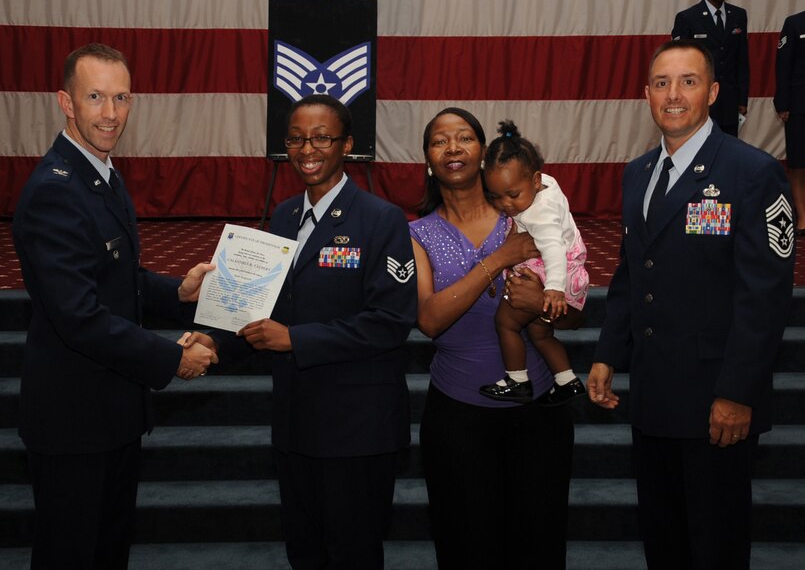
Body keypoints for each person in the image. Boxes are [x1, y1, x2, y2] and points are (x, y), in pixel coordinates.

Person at [588, 40, 795, 570]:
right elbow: (634, 272)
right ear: (647, 95)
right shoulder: (637, 173)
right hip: (654, 394)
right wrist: (609, 353)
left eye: (688, 81)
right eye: (661, 83)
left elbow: (764, 297)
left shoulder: (752, 171)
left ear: (714, 92)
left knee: (715, 545)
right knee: (665, 540)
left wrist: (737, 393)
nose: (673, 95)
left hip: (715, 401)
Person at [188, 94, 417, 569]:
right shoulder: (286, 215)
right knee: (305, 553)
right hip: (295, 425)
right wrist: (215, 339)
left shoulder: (382, 219)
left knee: (352, 554)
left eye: (321, 137)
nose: (307, 149)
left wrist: (296, 339)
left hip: (357, 430)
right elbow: (263, 309)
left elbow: (391, 322)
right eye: (295, 138)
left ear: (346, 144)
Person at [12, 43, 217, 569]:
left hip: (112, 414)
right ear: (65, 101)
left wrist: (179, 293)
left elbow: (116, 279)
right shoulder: (55, 190)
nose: (110, 113)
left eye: (121, 97)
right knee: (72, 555)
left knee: (108, 552)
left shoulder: (101, 173)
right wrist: (172, 359)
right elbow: (80, 317)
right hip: (74, 423)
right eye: (96, 97)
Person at [410, 107, 574, 568]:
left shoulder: (530, 213)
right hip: (457, 417)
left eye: (464, 137)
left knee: (538, 544)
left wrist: (547, 300)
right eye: (440, 141)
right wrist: (499, 259)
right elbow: (429, 320)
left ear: (484, 153)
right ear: (427, 160)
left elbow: (573, 315)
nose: (453, 147)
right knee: (466, 546)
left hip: (539, 414)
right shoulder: (416, 235)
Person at [478, 120, 588, 406]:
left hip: (553, 273)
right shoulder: (546, 183)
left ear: (536, 181)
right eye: (496, 196)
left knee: (505, 323)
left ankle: (517, 380)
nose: (506, 204)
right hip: (570, 268)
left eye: (513, 195)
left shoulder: (540, 214)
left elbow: (552, 247)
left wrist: (552, 289)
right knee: (540, 332)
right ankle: (567, 380)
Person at [672, 0, 749, 137]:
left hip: (729, 101)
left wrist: (742, 99)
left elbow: (742, 60)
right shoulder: (687, 17)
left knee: (728, 151)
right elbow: (679, 64)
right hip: (699, 100)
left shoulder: (738, 15)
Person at [774, 11, 805, 233]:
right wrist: (783, 103)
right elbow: (783, 64)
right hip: (799, 104)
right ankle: (803, 216)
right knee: (798, 162)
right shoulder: (794, 23)